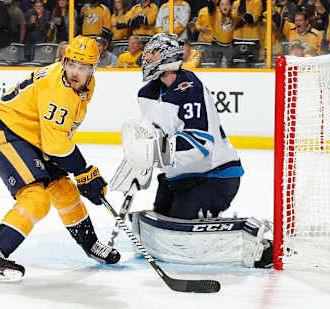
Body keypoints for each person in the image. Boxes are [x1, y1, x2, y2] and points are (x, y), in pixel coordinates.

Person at [112, 33, 271, 268]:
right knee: (163, 224)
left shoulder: (191, 88)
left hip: (214, 177)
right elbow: (156, 137)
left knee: (181, 232)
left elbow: (200, 144)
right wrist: (139, 162)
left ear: (167, 56)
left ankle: (259, 247)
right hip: (178, 177)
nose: (146, 58)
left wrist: (154, 154)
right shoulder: (146, 93)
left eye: (152, 53)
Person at [0, 35, 120, 282]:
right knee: (36, 197)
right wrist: (84, 171)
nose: (75, 72)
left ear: (93, 69)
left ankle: (91, 244)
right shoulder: (57, 89)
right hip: (6, 132)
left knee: (65, 191)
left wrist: (82, 175)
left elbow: (57, 138)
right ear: (64, 61)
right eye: (71, 64)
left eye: (83, 67)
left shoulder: (86, 85)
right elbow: (56, 146)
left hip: (35, 137)